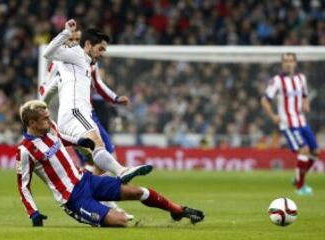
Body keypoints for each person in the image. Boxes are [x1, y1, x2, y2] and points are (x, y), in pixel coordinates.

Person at [16, 100, 204, 227]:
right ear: (32, 123)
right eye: (45, 118)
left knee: (137, 191)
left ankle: (178, 210)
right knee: (121, 221)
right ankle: (99, 213)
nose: (50, 121)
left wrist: (79, 141)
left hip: (86, 180)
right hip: (73, 199)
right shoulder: (25, 150)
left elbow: (61, 138)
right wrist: (34, 213)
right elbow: (23, 186)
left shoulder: (51, 129)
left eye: (49, 117)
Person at [39, 27, 133, 219]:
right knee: (97, 154)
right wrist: (40, 111)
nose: (74, 42)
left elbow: (97, 84)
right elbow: (46, 87)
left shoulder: (88, 61)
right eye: (71, 38)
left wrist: (114, 98)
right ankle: (104, 199)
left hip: (87, 113)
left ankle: (103, 200)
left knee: (99, 156)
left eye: (76, 39)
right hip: (69, 116)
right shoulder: (61, 61)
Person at [42, 19, 150, 183]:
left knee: (93, 157)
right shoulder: (76, 54)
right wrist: (66, 32)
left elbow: (52, 88)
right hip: (76, 113)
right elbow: (47, 53)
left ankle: (100, 197)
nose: (102, 53)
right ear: (87, 45)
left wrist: (41, 104)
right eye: (100, 49)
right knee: (98, 143)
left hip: (74, 115)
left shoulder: (85, 64)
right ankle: (122, 171)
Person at [261, 53, 319, 195]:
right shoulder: (277, 81)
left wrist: (306, 104)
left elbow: (305, 96)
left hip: (301, 121)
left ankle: (297, 178)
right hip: (288, 123)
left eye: (291, 60)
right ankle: (300, 187)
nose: (288, 63)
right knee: (304, 150)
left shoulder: (301, 78)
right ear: (282, 64)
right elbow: (264, 99)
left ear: (295, 63)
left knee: (315, 152)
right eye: (285, 61)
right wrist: (273, 116)